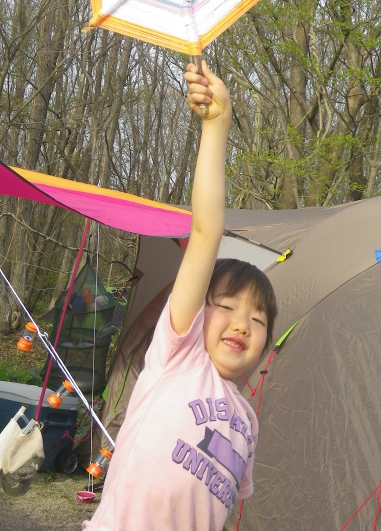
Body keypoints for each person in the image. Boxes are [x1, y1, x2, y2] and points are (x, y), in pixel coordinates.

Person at [83, 60, 277, 531]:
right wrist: (217, 125)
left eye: (257, 320)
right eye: (227, 306)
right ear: (199, 313)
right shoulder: (180, 356)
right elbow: (207, 232)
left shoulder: (248, 423)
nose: (241, 323)